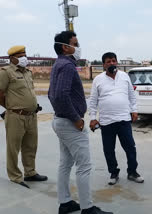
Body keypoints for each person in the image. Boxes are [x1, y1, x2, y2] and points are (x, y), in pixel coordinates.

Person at [48, 31, 113, 214]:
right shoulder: (67, 66)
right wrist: (76, 119)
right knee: (84, 166)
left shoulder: (59, 64)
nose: (78, 48)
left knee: (65, 163)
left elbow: (52, 95)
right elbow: (60, 96)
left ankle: (65, 202)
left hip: (61, 120)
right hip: (70, 123)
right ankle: (87, 208)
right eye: (75, 44)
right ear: (65, 47)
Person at [89, 52, 144, 185]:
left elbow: (131, 95)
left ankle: (132, 172)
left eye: (114, 61)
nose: (112, 63)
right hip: (106, 121)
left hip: (124, 119)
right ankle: (114, 173)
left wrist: (134, 110)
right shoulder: (98, 80)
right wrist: (92, 117)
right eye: (108, 61)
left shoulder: (124, 76)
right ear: (104, 65)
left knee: (130, 147)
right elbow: (93, 101)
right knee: (108, 149)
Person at [0, 45, 47, 189]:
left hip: (31, 116)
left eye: (25, 54)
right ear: (12, 58)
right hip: (15, 116)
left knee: (31, 146)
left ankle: (30, 172)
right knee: (13, 148)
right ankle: (15, 176)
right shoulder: (5, 72)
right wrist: (10, 107)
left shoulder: (27, 72)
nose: (24, 58)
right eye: (20, 56)